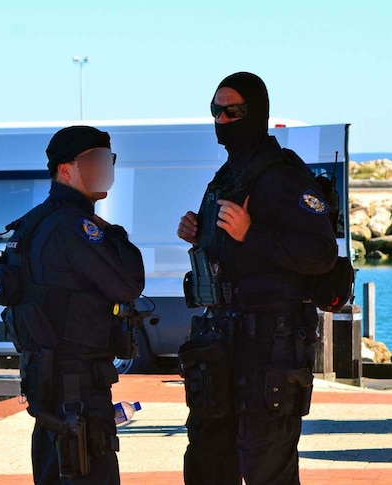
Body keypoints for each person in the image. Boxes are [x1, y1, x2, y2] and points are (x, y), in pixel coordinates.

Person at [177, 72, 338, 484]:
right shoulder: (226, 177)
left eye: (234, 111)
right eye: (216, 111)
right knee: (208, 461)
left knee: (266, 467)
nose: (223, 120)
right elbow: (227, 260)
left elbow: (321, 254)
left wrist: (252, 233)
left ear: (257, 113)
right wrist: (200, 234)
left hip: (270, 349)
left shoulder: (284, 177)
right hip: (219, 345)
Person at [0, 125, 145, 484]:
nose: (105, 169)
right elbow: (129, 283)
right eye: (95, 160)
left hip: (49, 386)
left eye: (107, 159)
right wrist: (115, 234)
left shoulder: (34, 223)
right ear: (66, 170)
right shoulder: (72, 226)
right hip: (76, 392)